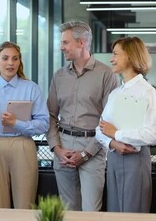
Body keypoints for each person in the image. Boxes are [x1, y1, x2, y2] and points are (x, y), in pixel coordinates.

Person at [46, 21, 118, 211]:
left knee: (91, 212)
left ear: (81, 43)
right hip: (63, 148)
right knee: (67, 211)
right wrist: (57, 148)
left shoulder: (106, 75)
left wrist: (86, 153)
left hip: (93, 148)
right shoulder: (59, 76)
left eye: (65, 42)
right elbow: (51, 115)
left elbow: (109, 120)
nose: (61, 47)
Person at [0, 41, 49, 209]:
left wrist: (16, 123)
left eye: (15, 59)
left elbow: (44, 124)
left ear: (20, 62)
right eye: (5, 58)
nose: (10, 63)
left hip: (23, 144)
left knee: (25, 203)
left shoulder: (31, 88)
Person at [95, 36, 156, 213]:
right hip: (115, 157)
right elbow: (99, 129)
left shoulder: (147, 92)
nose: (111, 59)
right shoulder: (116, 93)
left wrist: (117, 134)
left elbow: (153, 135)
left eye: (116, 54)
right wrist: (113, 142)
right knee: (115, 213)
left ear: (130, 57)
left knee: (134, 213)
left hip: (135, 159)